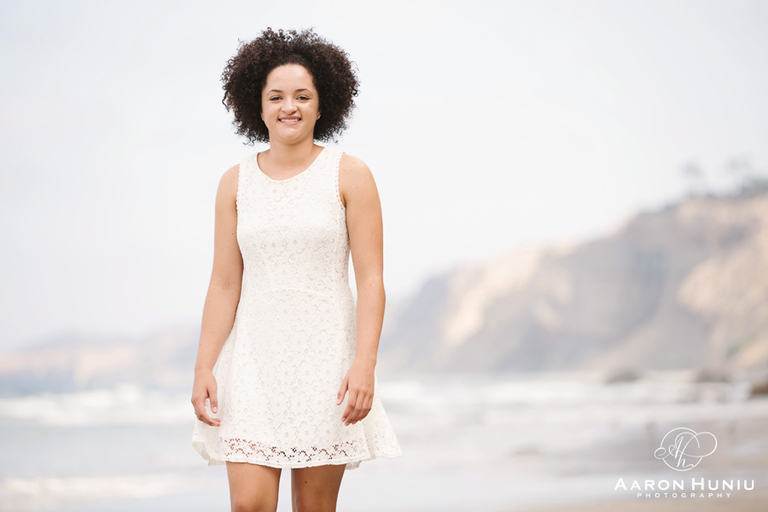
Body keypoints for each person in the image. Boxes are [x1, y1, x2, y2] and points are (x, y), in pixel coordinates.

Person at [190, 27, 402, 512]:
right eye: (277, 97)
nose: (290, 107)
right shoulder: (233, 183)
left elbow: (372, 280)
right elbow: (224, 284)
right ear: (258, 105)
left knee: (313, 509)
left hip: (325, 362)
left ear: (323, 105)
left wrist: (364, 363)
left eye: (303, 96)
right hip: (251, 362)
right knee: (249, 505)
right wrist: (204, 366)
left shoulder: (351, 174)